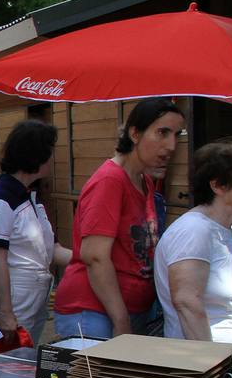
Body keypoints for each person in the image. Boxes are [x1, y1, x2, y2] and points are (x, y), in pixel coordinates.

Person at [53, 97, 184, 339]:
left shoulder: (144, 180)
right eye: (162, 133)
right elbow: (95, 257)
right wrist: (121, 320)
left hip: (128, 312)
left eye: (177, 134)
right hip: (95, 313)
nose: (171, 145)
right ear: (135, 133)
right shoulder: (110, 181)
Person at [156, 139, 232, 345]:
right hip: (219, 366)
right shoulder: (194, 231)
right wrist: (210, 364)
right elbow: (187, 302)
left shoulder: (224, 227)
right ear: (218, 185)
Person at [0, 120, 69, 345]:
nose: (53, 158)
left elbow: (52, 250)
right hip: (13, 300)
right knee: (5, 365)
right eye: (50, 152)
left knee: (24, 363)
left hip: (35, 299)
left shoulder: (30, 198)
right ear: (36, 155)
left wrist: (89, 259)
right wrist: (6, 313)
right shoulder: (3, 198)